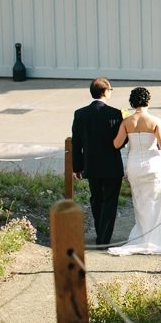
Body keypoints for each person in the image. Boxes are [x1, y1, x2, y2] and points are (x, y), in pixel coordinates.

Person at [108, 87, 161, 256]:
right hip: (152, 165)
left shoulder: (126, 122)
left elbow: (116, 144)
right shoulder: (155, 121)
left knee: (140, 202)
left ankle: (144, 236)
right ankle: (155, 237)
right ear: (148, 101)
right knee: (154, 200)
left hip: (134, 165)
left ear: (132, 103)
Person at [72, 78, 125, 245]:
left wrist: (77, 167)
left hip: (91, 165)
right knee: (110, 201)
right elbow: (120, 142)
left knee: (95, 198)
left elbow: (76, 143)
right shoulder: (115, 114)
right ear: (105, 92)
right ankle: (103, 238)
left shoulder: (80, 114)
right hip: (112, 165)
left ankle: (99, 232)